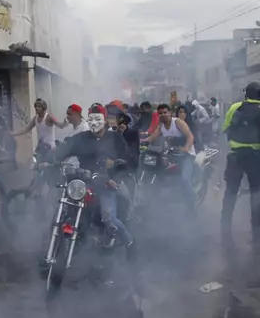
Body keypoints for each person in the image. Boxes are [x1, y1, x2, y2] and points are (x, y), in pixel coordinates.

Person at [43, 104, 136, 255]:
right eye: (91, 118)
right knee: (66, 206)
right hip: (84, 183)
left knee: (109, 218)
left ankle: (130, 244)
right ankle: (59, 246)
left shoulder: (115, 139)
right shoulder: (81, 138)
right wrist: (47, 160)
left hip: (107, 184)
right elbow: (64, 149)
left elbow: (127, 160)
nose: (93, 122)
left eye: (97, 118)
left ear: (104, 120)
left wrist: (116, 168)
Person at [220, 81, 260, 246]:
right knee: (256, 192)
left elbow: (225, 128)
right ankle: (257, 228)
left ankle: (225, 225)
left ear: (246, 93)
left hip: (235, 156)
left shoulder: (235, 108)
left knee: (231, 191)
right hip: (256, 157)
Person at [141, 103, 197, 214]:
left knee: (185, 179)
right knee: (158, 169)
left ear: (170, 113)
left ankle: (192, 205)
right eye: (160, 113)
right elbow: (152, 137)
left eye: (165, 112)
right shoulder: (161, 126)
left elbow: (190, 136)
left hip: (186, 156)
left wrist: (186, 148)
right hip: (172, 155)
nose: (163, 115)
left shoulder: (178, 123)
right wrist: (142, 142)